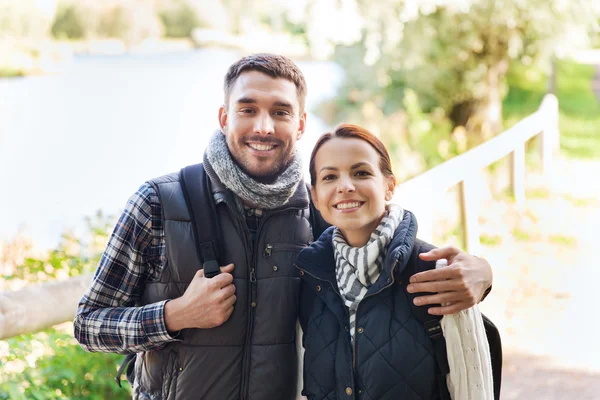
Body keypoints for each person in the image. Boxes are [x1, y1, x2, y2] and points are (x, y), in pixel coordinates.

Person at [73, 54, 494, 400]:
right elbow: (88, 324)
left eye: (280, 112)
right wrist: (176, 314)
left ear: (301, 124)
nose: (263, 127)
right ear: (223, 117)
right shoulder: (159, 202)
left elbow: (382, 259)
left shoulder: (316, 210)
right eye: (248, 109)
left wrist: (482, 274)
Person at [297, 124, 494, 400]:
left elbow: (474, 389)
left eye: (361, 173)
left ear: (389, 186)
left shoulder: (438, 274)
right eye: (330, 177)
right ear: (315, 197)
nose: (345, 186)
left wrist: (485, 271)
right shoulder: (311, 280)